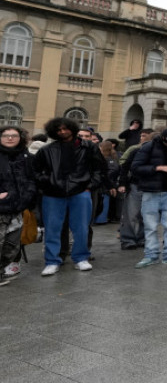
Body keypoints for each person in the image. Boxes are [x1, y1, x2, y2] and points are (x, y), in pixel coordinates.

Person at [33, 117, 106, 276]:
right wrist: (48, 182)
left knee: (81, 227)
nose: (62, 132)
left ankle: (81, 258)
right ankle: (52, 261)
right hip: (53, 194)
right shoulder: (46, 150)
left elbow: (100, 169)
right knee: (52, 228)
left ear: (72, 129)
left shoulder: (88, 147)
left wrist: (90, 186)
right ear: (54, 132)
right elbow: (36, 172)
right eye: (58, 130)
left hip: (80, 192)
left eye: (65, 128)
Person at [131, 127, 167, 268]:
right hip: (151, 192)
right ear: (163, 140)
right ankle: (151, 255)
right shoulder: (149, 146)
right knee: (150, 226)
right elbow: (135, 167)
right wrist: (157, 168)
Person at [0, 126, 36, 287]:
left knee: (12, 245)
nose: (9, 138)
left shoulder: (26, 156)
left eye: (13, 135)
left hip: (18, 207)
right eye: (6, 135)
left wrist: (29, 196)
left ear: (20, 137)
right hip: (1, 207)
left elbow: (33, 179)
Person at [117, 128, 154, 250]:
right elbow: (125, 167)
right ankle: (128, 239)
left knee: (145, 215)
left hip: (149, 187)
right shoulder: (136, 151)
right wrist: (122, 183)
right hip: (135, 185)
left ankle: (141, 238)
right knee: (131, 215)